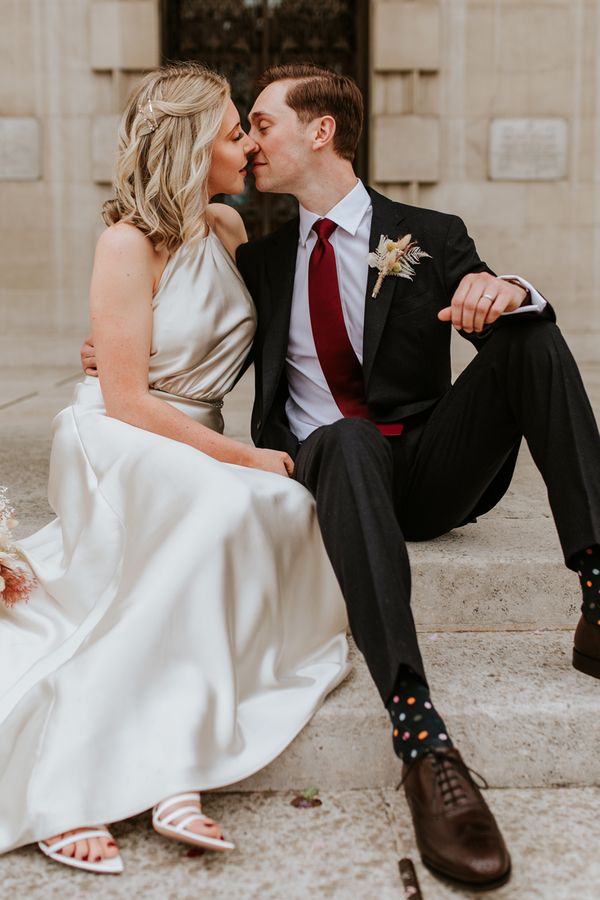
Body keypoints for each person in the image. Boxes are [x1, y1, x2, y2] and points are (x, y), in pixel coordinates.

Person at [233, 64, 600, 890]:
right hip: (332, 468)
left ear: (319, 130)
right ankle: (419, 732)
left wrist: (506, 289)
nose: (251, 141)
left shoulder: (426, 230)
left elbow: (505, 314)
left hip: (429, 469)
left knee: (530, 335)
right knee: (346, 437)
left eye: (262, 122)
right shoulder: (259, 261)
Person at [0, 62, 349, 875]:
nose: (248, 147)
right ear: (195, 144)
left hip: (193, 436)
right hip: (121, 434)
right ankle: (131, 772)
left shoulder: (227, 230)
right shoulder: (126, 241)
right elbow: (124, 398)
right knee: (227, 505)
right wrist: (246, 457)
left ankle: (172, 761)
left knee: (285, 512)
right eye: (237, 132)